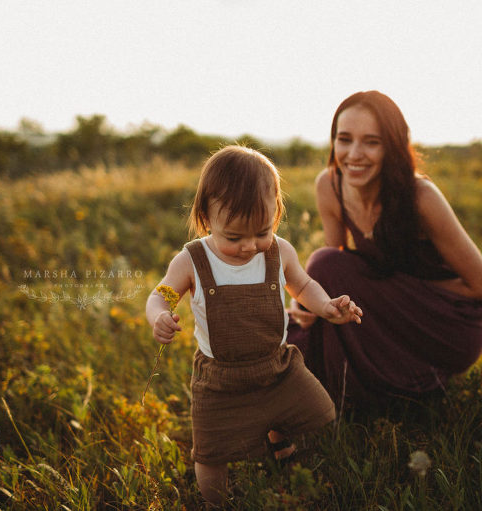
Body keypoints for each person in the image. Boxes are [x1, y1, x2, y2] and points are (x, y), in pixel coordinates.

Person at [145, 145, 363, 506]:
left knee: (322, 412)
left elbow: (303, 286)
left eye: (262, 231)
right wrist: (160, 316)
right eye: (234, 237)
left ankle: (277, 436)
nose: (250, 246)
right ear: (205, 218)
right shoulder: (192, 260)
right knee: (211, 454)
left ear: (276, 214)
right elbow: (160, 296)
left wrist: (325, 306)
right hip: (221, 380)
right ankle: (216, 502)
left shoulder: (279, 251)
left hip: (278, 368)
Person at [287, 90, 482, 409]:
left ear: (393, 146)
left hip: (448, 319)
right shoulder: (329, 186)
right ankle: (337, 389)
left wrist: (390, 289)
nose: (354, 154)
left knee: (323, 264)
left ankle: (368, 392)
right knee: (316, 281)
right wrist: (307, 300)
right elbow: (336, 267)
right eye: (344, 139)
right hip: (385, 306)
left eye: (372, 141)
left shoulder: (421, 197)